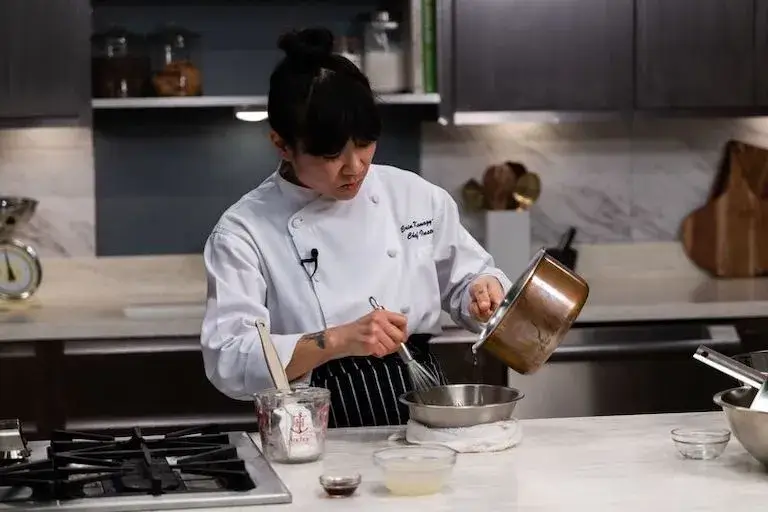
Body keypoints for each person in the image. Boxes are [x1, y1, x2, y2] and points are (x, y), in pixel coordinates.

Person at [200, 27, 513, 428]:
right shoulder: (243, 231)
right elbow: (230, 358)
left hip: (425, 405)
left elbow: (468, 278)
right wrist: (337, 340)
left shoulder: (414, 196)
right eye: (331, 154)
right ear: (281, 144)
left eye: (365, 144)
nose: (355, 167)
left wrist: (482, 290)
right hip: (315, 423)